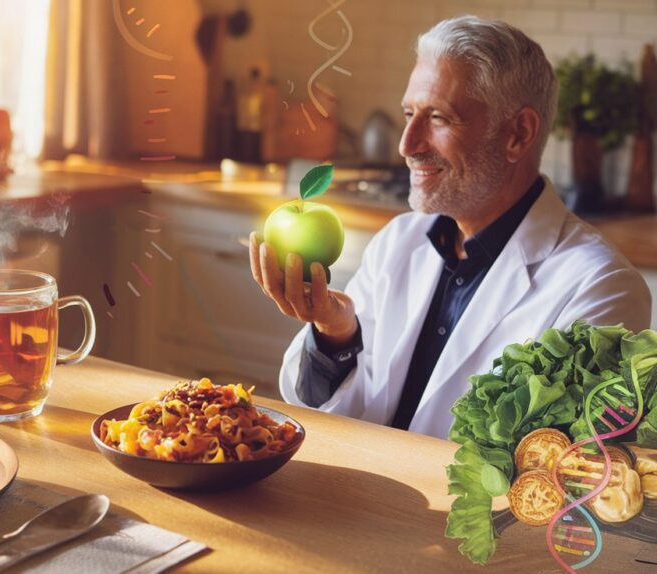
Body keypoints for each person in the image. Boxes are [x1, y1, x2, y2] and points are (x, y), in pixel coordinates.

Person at [249, 16, 652, 439]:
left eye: (438, 117)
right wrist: (335, 333)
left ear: (518, 133)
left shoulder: (602, 289)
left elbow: (553, 476)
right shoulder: (398, 241)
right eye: (409, 113)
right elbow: (338, 417)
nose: (407, 145)